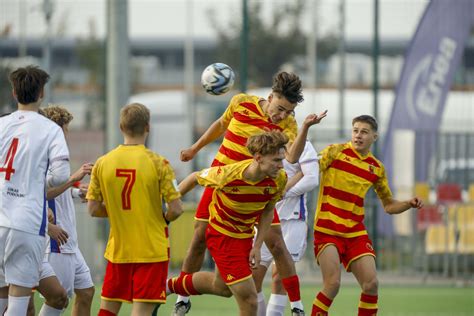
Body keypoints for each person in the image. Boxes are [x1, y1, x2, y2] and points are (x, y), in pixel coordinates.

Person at [172, 71, 327, 316]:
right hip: (222, 183)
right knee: (200, 237)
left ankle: (296, 306)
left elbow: (291, 157)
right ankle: (181, 298)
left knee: (276, 243)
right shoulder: (241, 102)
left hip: (257, 189)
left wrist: (305, 126)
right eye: (280, 108)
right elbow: (220, 125)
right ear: (270, 96)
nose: (282, 115)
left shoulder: (287, 124)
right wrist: (195, 148)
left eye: (288, 111)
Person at [310, 115, 424, 316]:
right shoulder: (334, 152)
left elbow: (389, 206)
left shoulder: (376, 168)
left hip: (355, 233)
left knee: (371, 284)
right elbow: (309, 172)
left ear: (374, 137)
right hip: (327, 230)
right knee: (333, 284)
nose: (358, 135)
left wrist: (407, 203)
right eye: (355, 130)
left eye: (364, 132)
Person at [169, 130, 290, 316]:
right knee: (249, 299)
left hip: (245, 237)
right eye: (276, 160)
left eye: (282, 160)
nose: (281, 165)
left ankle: (167, 286)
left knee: (222, 288)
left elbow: (267, 211)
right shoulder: (228, 175)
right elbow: (194, 177)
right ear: (258, 157)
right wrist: (171, 204)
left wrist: (257, 246)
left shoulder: (279, 179)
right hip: (222, 236)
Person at [86, 102, 184, 316]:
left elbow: (93, 209)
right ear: (148, 127)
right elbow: (176, 209)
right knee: (141, 311)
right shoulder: (159, 163)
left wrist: (117, 210)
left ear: (121, 127)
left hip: (118, 250)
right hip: (151, 251)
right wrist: (162, 218)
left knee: (108, 309)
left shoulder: (103, 163)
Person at [0, 66, 70, 316]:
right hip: (26, 224)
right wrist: (34, 180)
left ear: (14, 92)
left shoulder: (2, 125)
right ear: (41, 92)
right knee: (18, 305)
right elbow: (60, 175)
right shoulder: (50, 129)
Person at [39, 105, 95, 316]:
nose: (67, 135)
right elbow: (41, 193)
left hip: (69, 241)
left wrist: (75, 192)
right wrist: (73, 178)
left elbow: (57, 190)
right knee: (57, 300)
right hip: (56, 240)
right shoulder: (42, 157)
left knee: (87, 291)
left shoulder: (55, 155)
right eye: (64, 129)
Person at [253, 140, 319, 316]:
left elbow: (311, 178)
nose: (282, 117)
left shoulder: (304, 144)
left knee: (279, 278)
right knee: (253, 277)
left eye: (289, 113)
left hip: (292, 218)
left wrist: (283, 192)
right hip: (263, 217)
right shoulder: (263, 141)